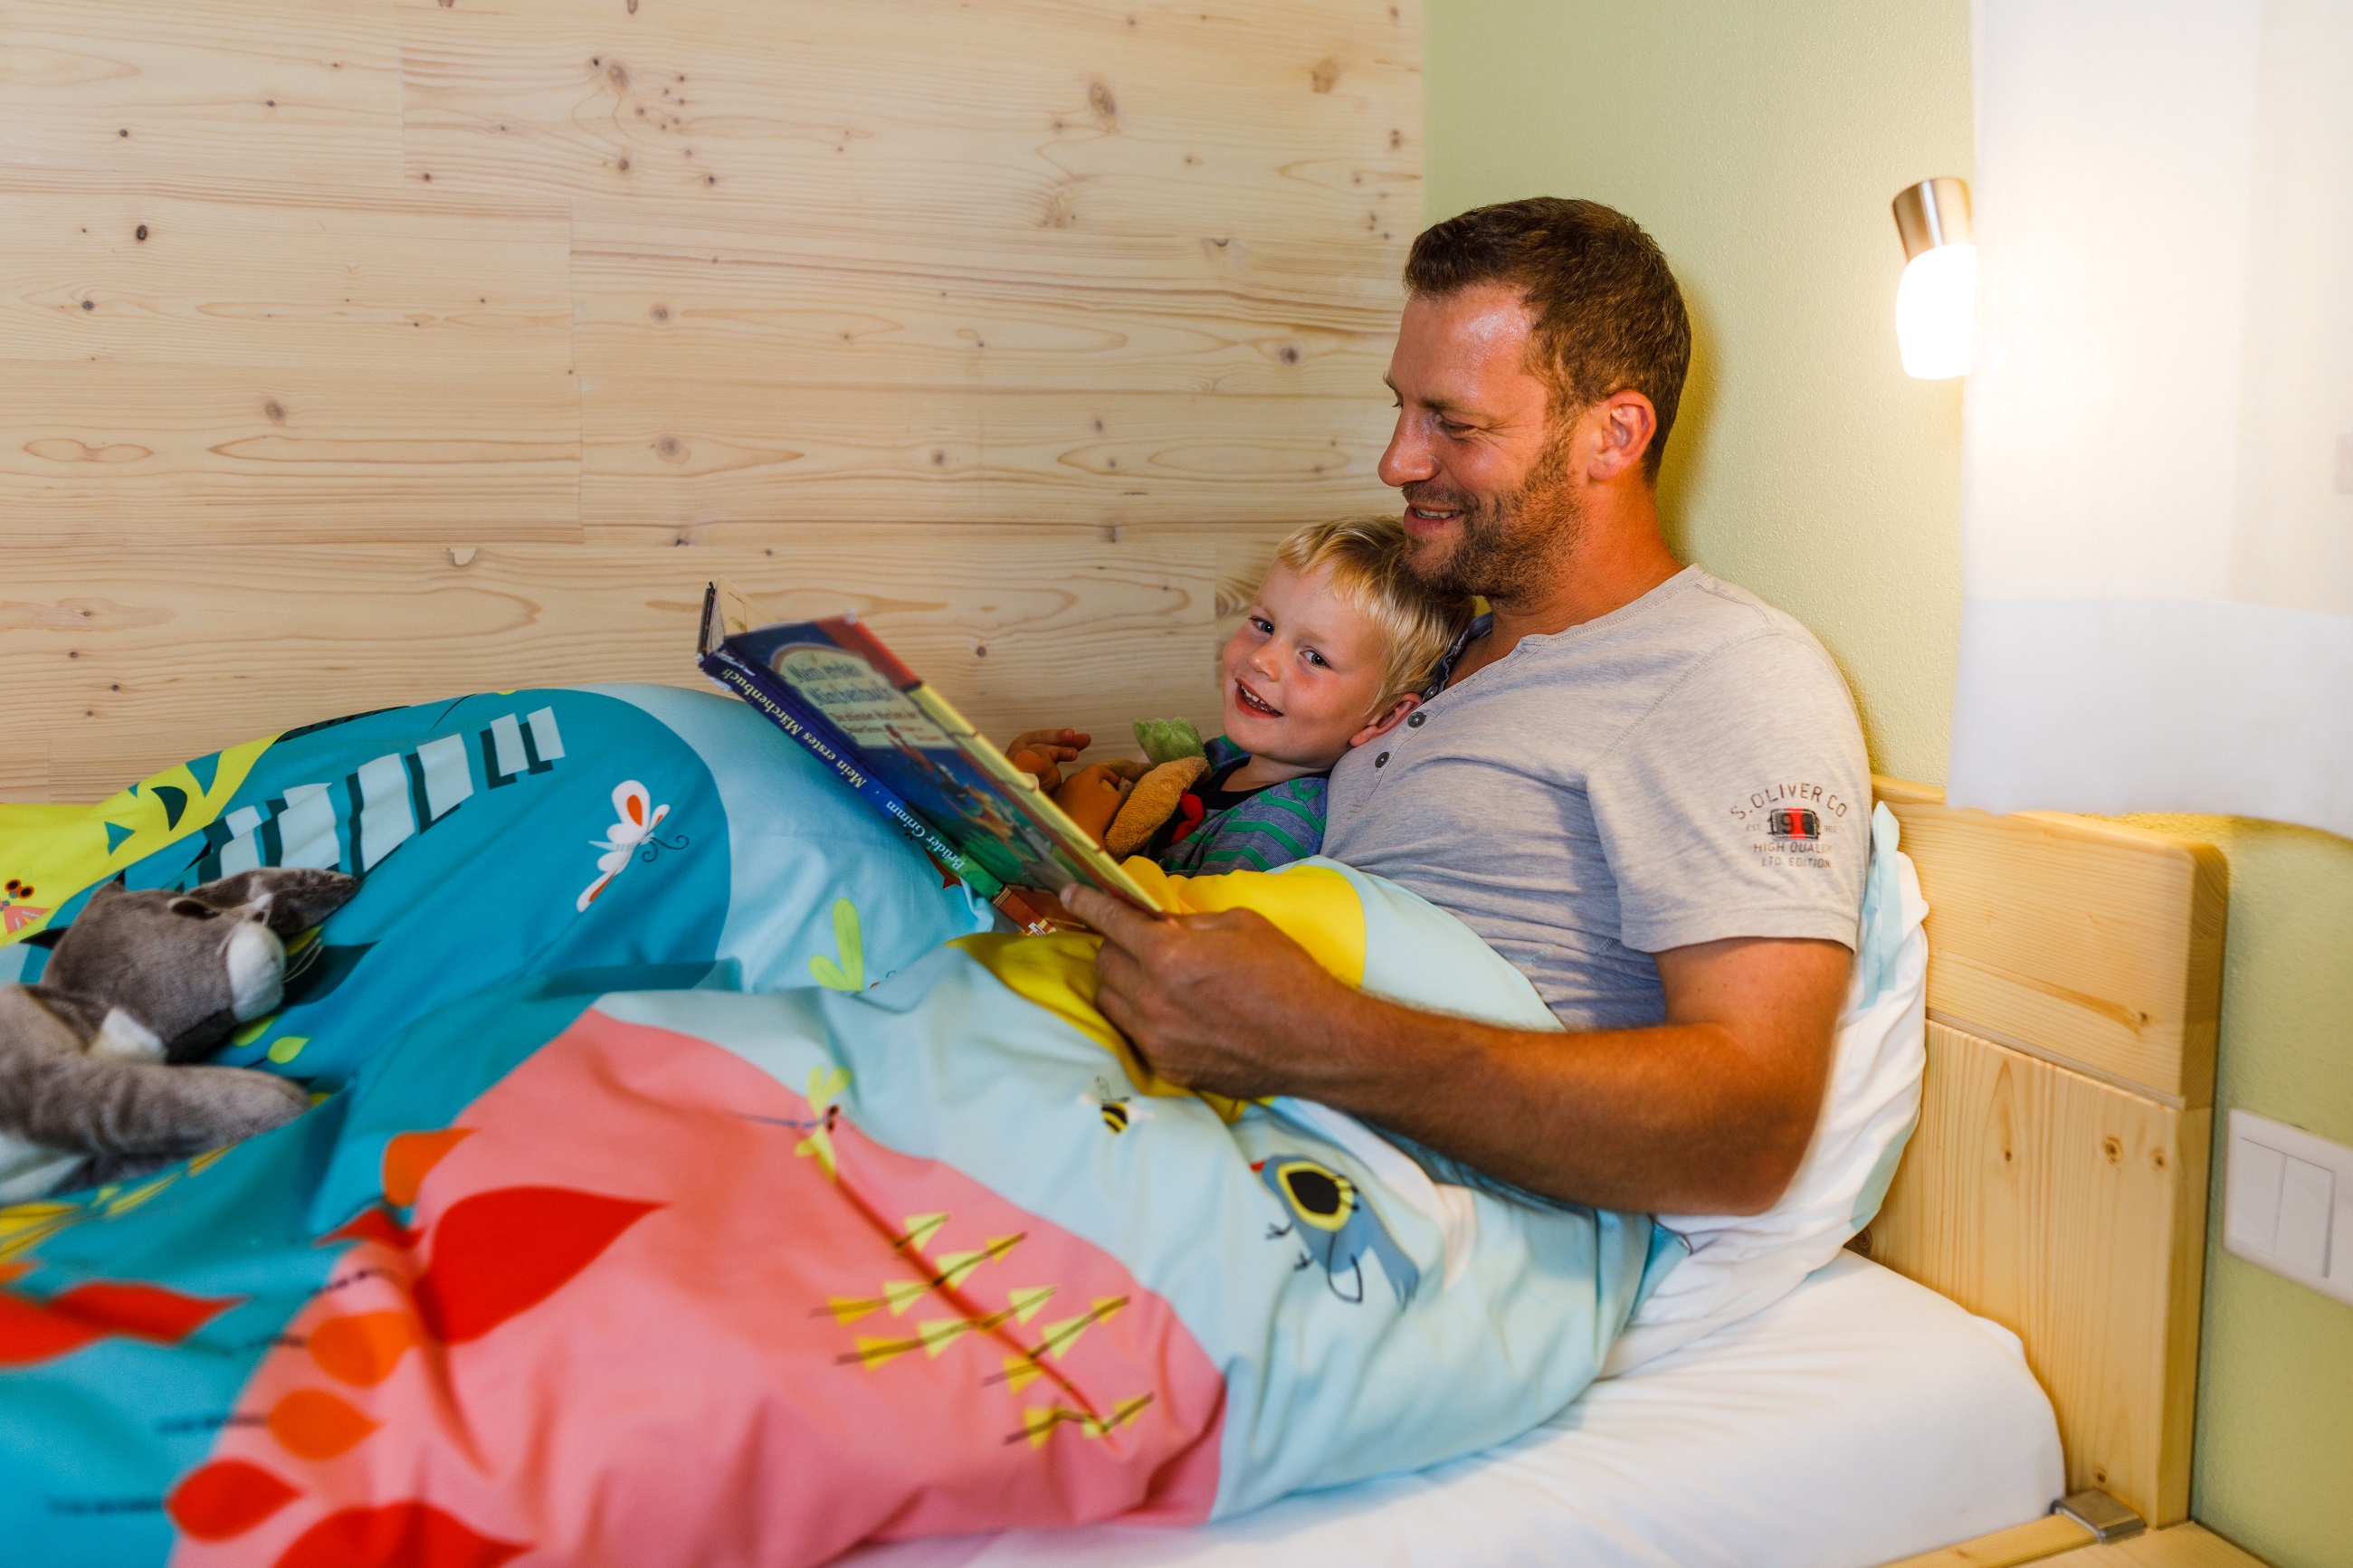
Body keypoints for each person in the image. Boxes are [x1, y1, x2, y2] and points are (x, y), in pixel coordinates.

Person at [1061, 197, 1872, 1220]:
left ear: (1613, 434)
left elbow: (1750, 1131)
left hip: (1412, 1209)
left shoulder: (1728, 674)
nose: (1396, 460)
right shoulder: (1435, 648)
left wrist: (1318, 1038)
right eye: (1403, 408)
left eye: (1454, 422)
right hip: (1236, 1121)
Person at [1011, 517, 1473, 876]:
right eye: (1264, 625)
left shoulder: (1279, 825)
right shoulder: (1221, 758)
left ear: (1385, 717)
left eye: (1315, 658)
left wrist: (1076, 836)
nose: (1261, 659)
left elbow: (1165, 944)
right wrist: (1029, 799)